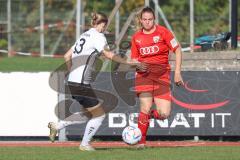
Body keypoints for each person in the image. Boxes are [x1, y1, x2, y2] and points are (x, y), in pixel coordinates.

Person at [48, 12, 146, 151]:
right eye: (105, 26)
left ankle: (57, 126)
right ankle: (85, 144)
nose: (105, 28)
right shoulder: (98, 36)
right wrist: (128, 61)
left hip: (73, 83)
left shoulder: (84, 35)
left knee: (88, 113)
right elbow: (108, 54)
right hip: (81, 84)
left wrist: (71, 72)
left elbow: (66, 56)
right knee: (99, 115)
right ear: (103, 24)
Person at [130, 7, 184, 148]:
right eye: (145, 19)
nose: (147, 22)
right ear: (141, 20)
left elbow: (177, 50)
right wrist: (137, 65)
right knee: (145, 108)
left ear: (154, 19)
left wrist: (177, 72)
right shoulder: (136, 37)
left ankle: (146, 117)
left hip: (162, 77)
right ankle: (140, 142)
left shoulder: (163, 32)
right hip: (144, 76)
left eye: (150, 19)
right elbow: (134, 60)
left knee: (164, 114)